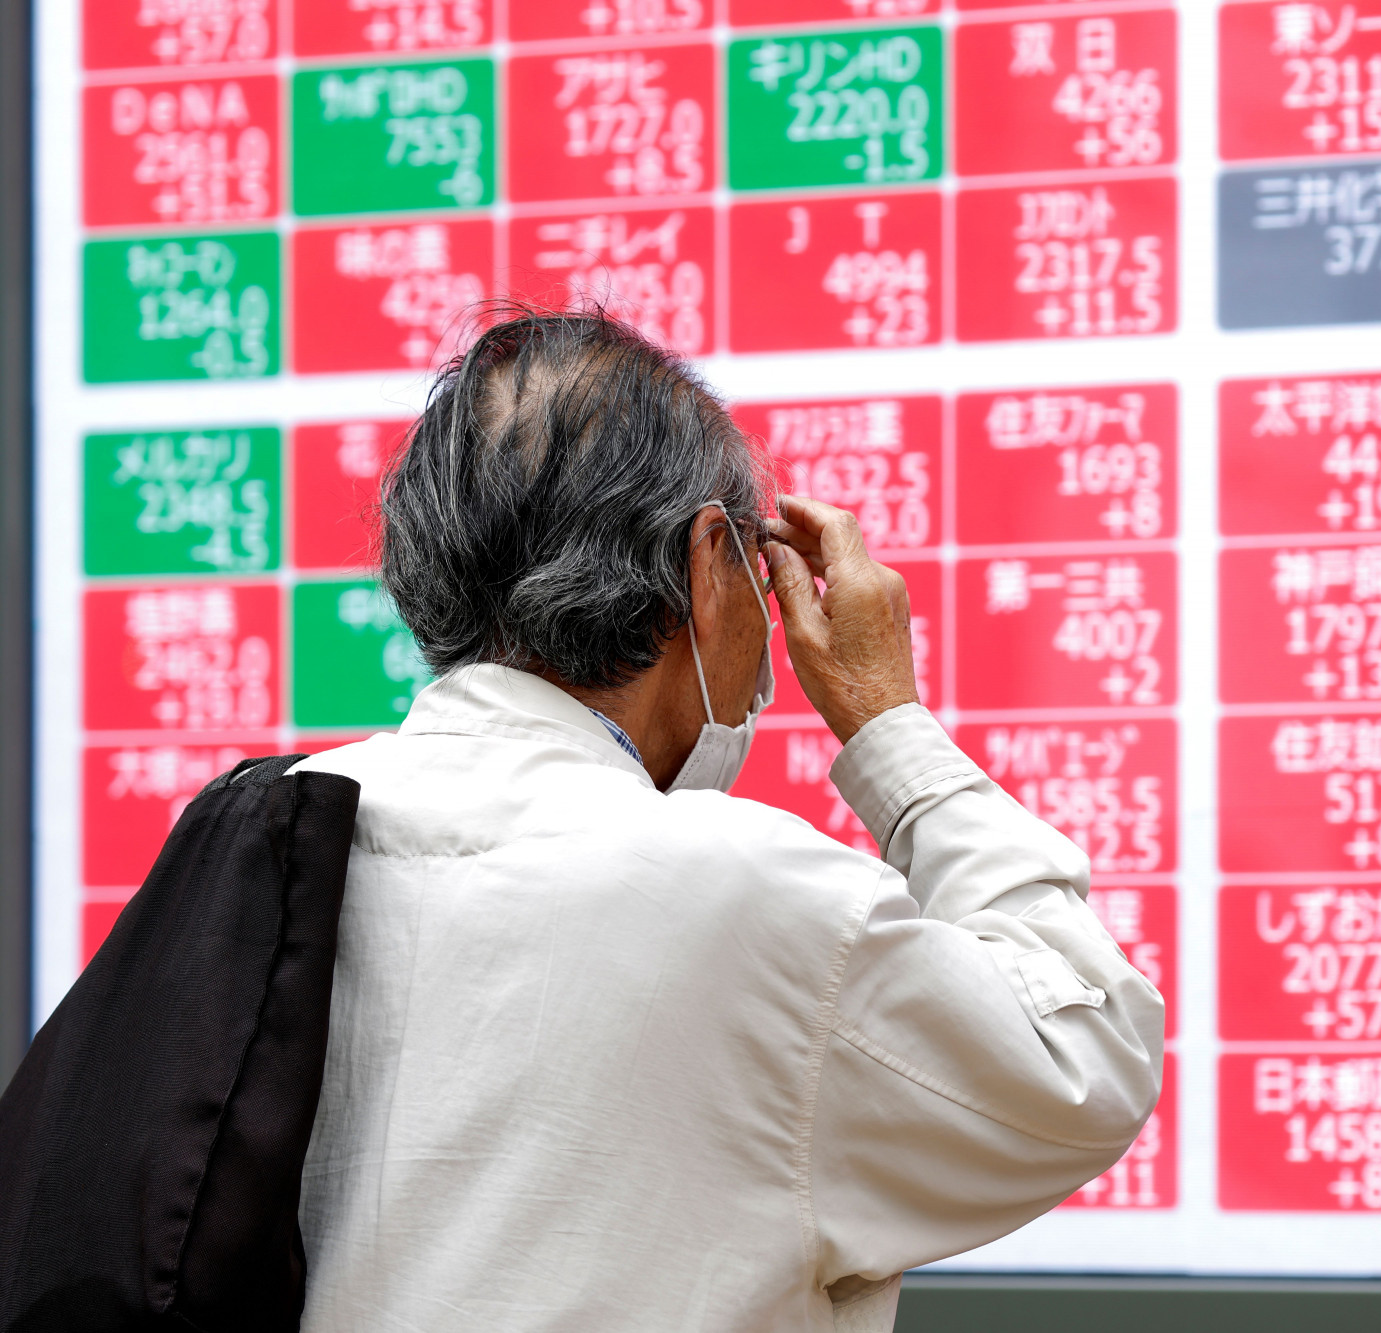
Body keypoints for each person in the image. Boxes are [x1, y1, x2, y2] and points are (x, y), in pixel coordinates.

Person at [288, 310, 1165, 1332]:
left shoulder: (275, 832)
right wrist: (892, 728)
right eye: (754, 558)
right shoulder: (741, 892)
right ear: (710, 561)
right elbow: (1085, 1060)